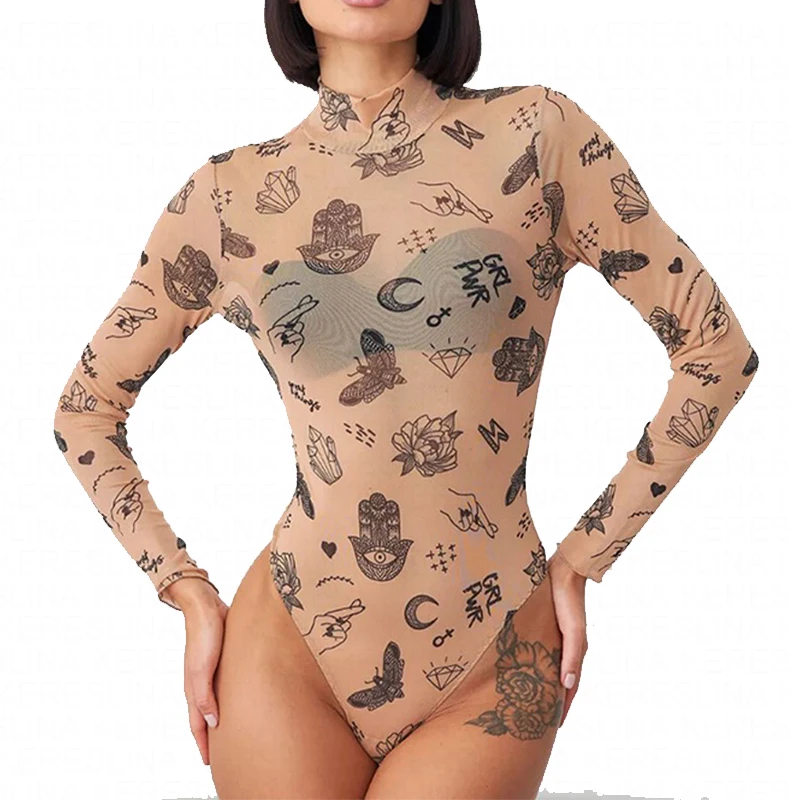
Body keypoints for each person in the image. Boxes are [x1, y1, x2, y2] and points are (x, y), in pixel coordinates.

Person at [52, 0, 760, 796]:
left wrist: (585, 556)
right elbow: (86, 409)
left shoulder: (539, 136)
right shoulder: (228, 195)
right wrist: (183, 589)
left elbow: (716, 351)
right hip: (287, 653)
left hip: (494, 652)